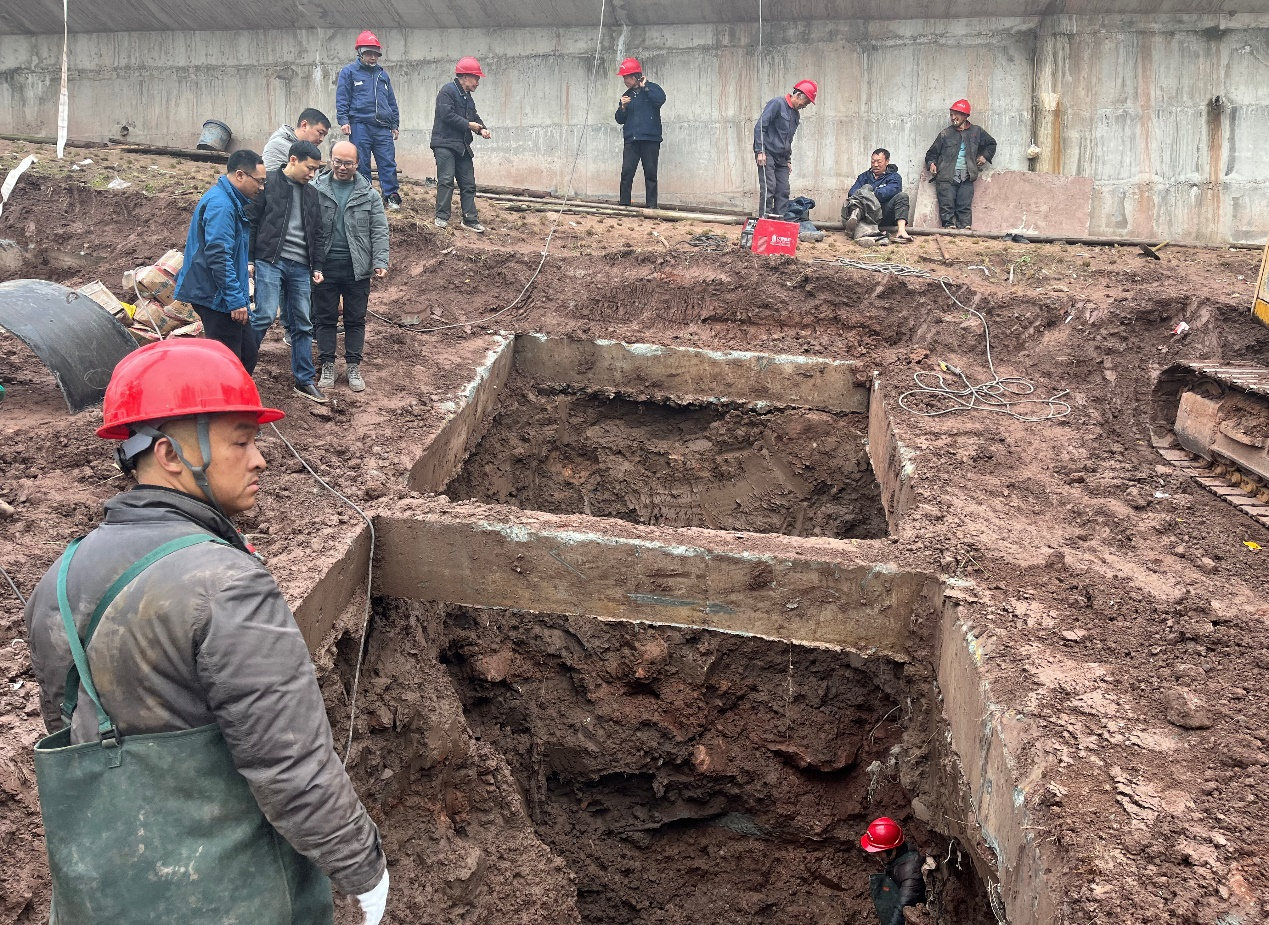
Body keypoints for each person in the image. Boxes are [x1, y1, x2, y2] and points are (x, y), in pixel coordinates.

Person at [24, 339, 389, 925]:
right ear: (170, 454)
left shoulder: (58, 579)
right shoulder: (227, 585)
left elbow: (72, 730)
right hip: (231, 897)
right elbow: (289, 763)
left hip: (108, 894)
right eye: (241, 442)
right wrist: (361, 866)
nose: (259, 460)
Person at [247, 140, 327, 403]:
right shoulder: (268, 183)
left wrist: (317, 265)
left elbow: (317, 232)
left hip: (301, 266)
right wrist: (249, 258)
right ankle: (240, 370)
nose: (312, 174)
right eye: (309, 168)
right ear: (293, 160)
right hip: (270, 260)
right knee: (265, 314)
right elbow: (252, 222)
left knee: (303, 323)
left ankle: (304, 380)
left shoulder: (312, 194)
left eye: (316, 169)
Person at [173, 149, 266, 374]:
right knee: (227, 363)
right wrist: (235, 300)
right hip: (215, 295)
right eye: (259, 181)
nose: (261, 187)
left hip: (221, 293)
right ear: (240, 175)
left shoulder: (230, 201)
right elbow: (219, 256)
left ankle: (235, 394)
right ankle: (217, 397)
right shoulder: (221, 206)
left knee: (247, 353)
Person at [312, 140, 389, 393]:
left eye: (348, 163)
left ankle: (353, 366)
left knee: (355, 319)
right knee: (325, 319)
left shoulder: (369, 195)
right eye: (337, 162)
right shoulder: (316, 189)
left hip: (357, 268)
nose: (342, 167)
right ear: (330, 161)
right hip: (324, 266)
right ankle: (327, 365)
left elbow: (379, 230)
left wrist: (380, 260)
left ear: (357, 164)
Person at [337, 31, 402, 211]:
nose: (373, 57)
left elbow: (391, 101)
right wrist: (343, 120)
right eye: (369, 53)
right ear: (360, 52)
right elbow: (342, 98)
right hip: (360, 125)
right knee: (362, 162)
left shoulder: (382, 75)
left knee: (387, 161)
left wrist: (395, 124)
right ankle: (365, 195)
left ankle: (391, 195)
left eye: (376, 54)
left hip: (382, 127)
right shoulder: (349, 72)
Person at [431, 57, 490, 233]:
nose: (478, 83)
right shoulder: (447, 91)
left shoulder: (468, 98)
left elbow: (474, 117)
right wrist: (468, 125)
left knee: (469, 184)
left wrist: (482, 129)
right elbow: (446, 115)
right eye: (476, 78)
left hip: (462, 145)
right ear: (465, 77)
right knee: (446, 180)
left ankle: (470, 219)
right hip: (444, 143)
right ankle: (441, 217)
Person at [924, 99, 996, 230]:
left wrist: (984, 156)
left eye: (956, 114)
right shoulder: (945, 134)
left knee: (964, 205)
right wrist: (931, 164)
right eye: (951, 115)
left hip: (967, 176)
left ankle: (965, 229)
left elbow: (991, 144)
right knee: (946, 205)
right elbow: (931, 153)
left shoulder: (976, 132)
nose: (953, 118)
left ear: (965, 116)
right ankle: (948, 227)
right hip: (946, 176)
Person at [754, 80, 817, 218]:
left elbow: (789, 139)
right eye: (805, 103)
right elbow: (760, 126)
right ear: (799, 95)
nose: (804, 106)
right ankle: (765, 220)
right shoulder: (777, 104)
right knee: (769, 187)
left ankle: (779, 221)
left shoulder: (795, 115)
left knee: (783, 190)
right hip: (767, 153)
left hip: (782, 158)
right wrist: (760, 151)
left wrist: (788, 160)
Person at [614, 57, 666, 209]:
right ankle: (624, 204)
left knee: (650, 174)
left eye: (627, 77)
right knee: (627, 172)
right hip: (632, 140)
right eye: (624, 77)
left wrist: (646, 87)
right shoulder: (626, 96)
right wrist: (622, 107)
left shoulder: (652, 89)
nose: (625, 80)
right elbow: (619, 119)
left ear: (635, 76)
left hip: (650, 140)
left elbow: (660, 100)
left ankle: (651, 206)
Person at [860, 817, 927, 925]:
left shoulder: (911, 875)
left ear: (892, 850)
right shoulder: (900, 851)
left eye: (879, 852)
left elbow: (901, 910)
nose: (876, 855)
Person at [844, 148, 912, 242]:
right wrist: (866, 194)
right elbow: (852, 193)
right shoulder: (864, 176)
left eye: (879, 162)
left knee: (902, 196)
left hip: (883, 213)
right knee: (856, 199)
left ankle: (901, 231)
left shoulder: (894, 177)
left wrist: (869, 194)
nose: (875, 165)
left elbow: (890, 191)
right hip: (866, 214)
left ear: (887, 161)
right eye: (873, 162)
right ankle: (855, 221)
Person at [263, 108, 332, 173]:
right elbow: (270, 178)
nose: (322, 139)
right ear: (304, 125)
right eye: (320, 133)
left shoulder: (309, 149)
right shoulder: (277, 146)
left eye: (324, 135)